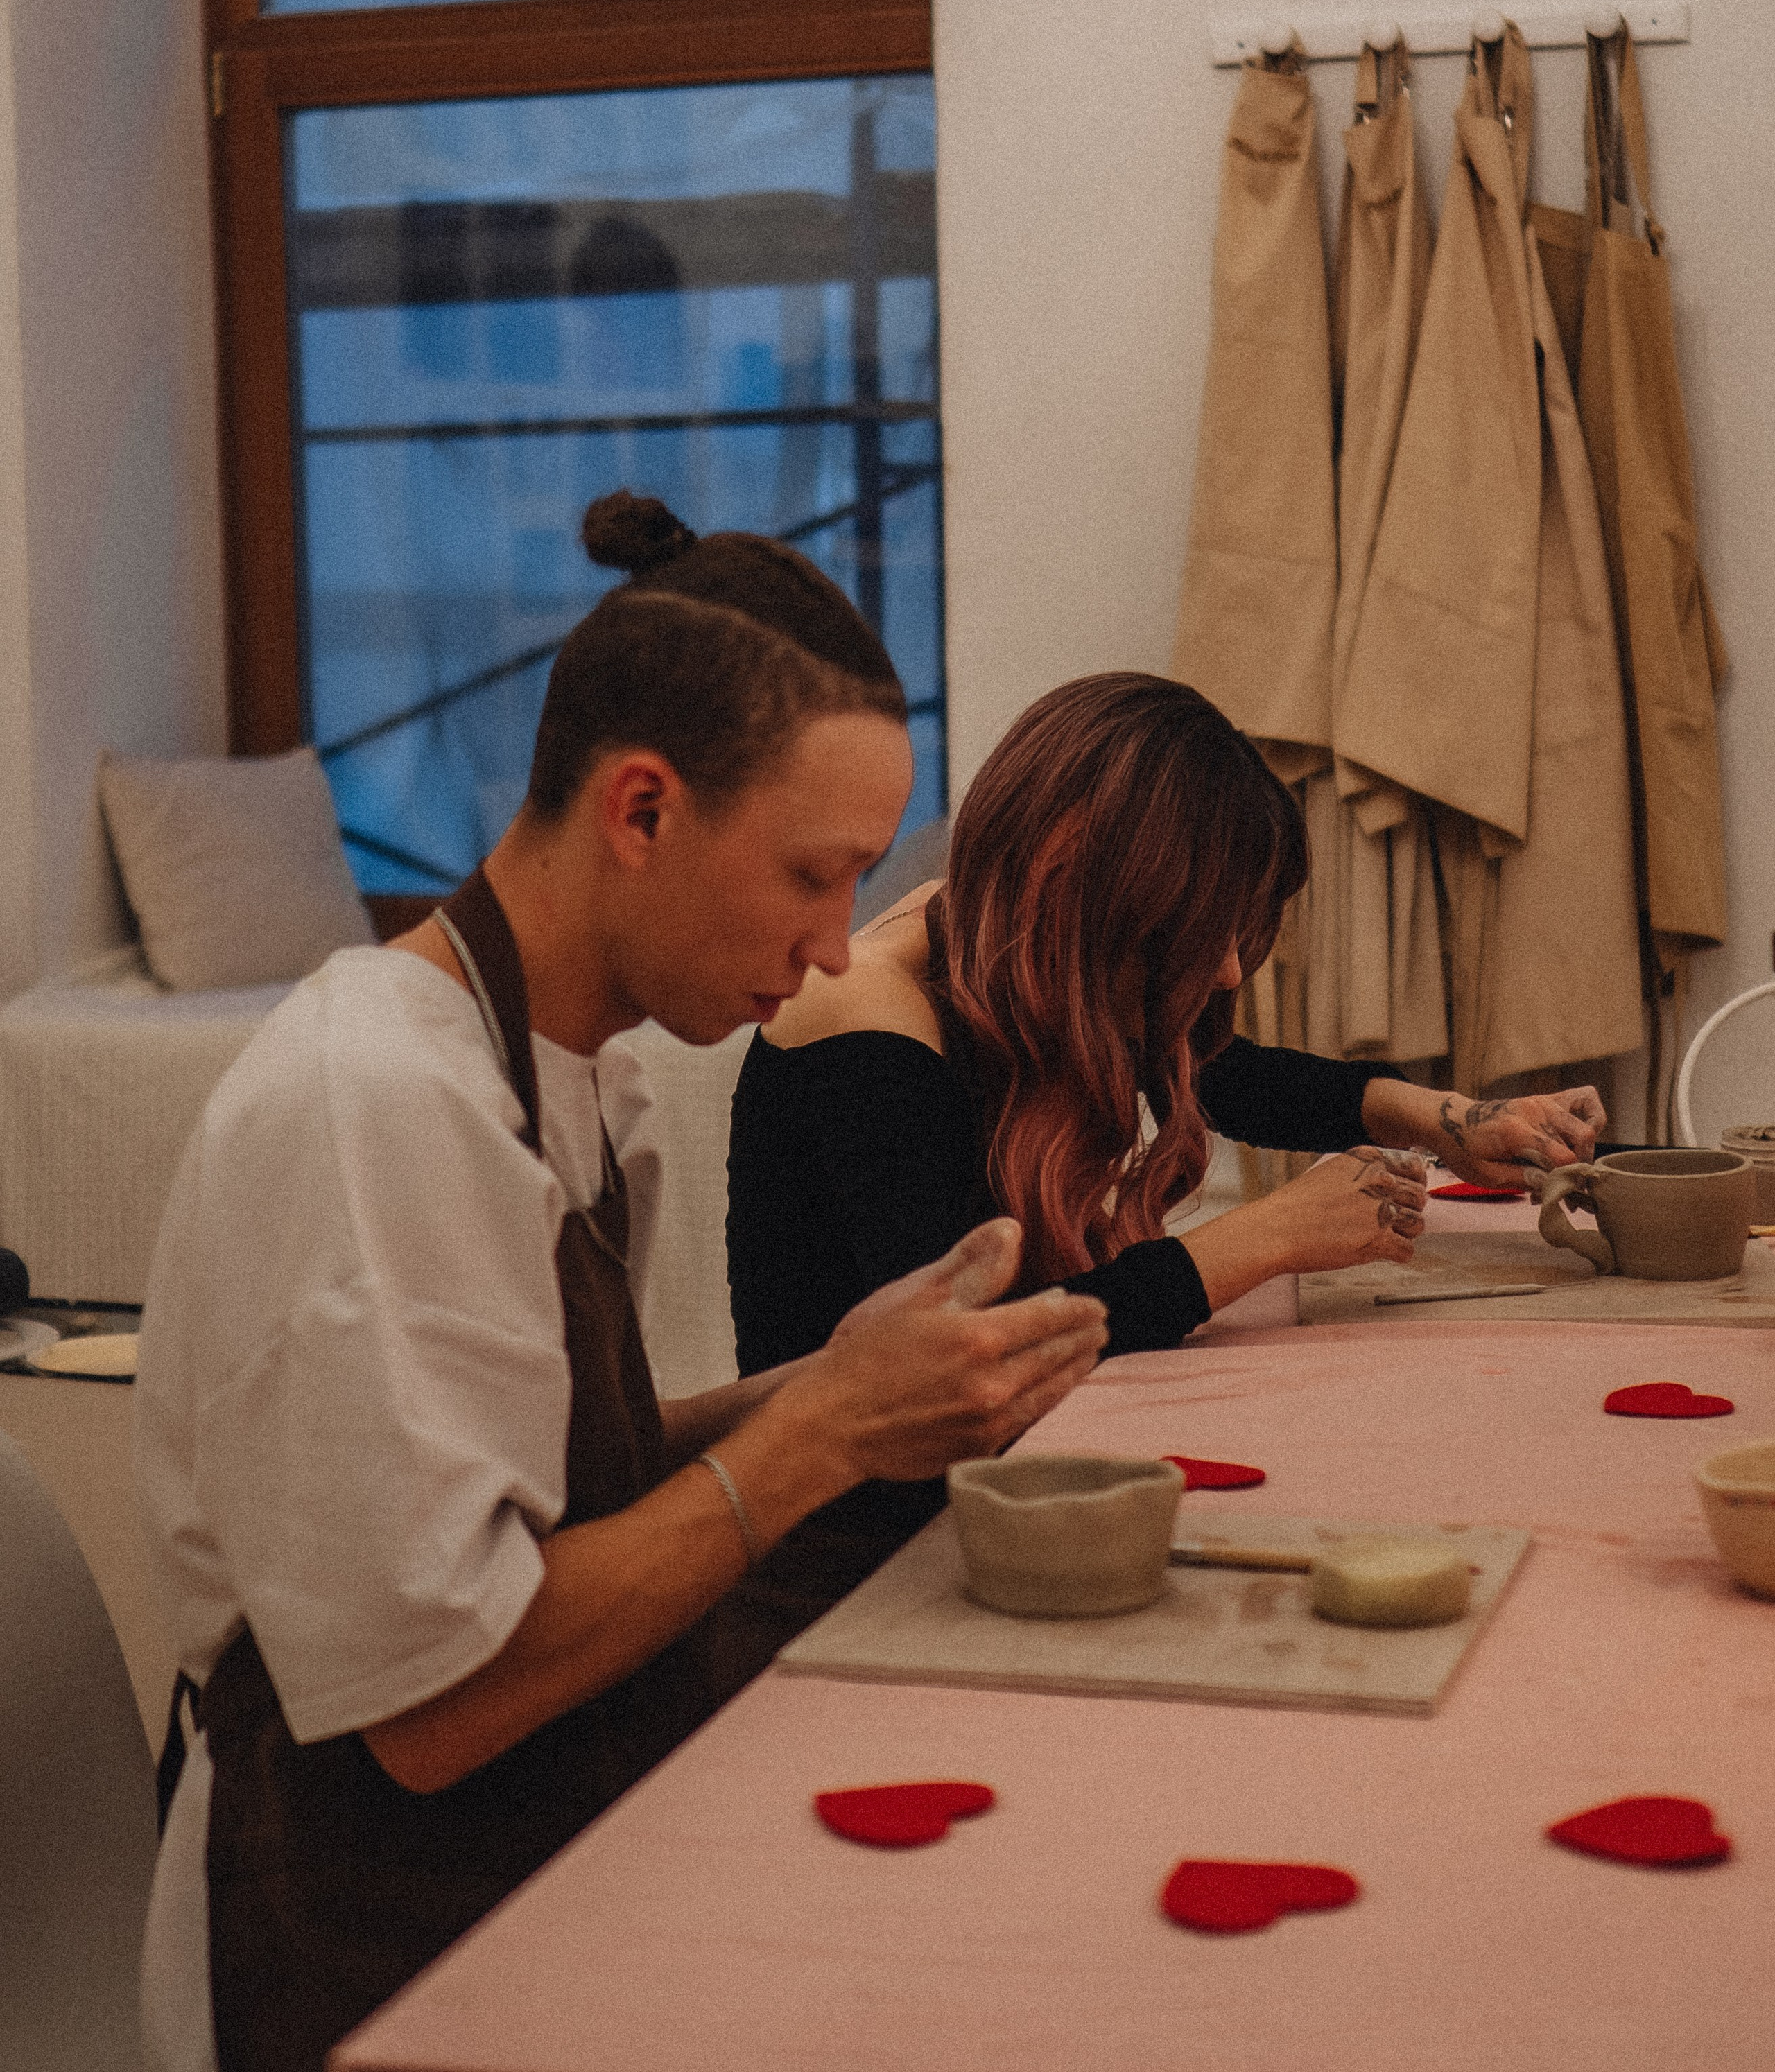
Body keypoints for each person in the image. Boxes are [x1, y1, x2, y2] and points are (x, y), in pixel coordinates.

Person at [133, 494, 1109, 2072]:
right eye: (809, 876)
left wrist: (826, 1377)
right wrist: (823, 1443)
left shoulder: (591, 1077)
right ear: (640, 810)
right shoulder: (375, 1100)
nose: (832, 949)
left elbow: (532, 1470)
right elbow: (434, 1705)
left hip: (532, 1814)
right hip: (349, 1913)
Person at [723, 671, 1607, 1637]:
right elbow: (979, 1355)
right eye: (1209, 932)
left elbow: (1214, 1062)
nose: (1229, 967)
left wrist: (1448, 1116)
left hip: (998, 1502)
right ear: (1093, 898)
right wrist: (1262, 1238)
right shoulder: (869, 1025)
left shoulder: (995, 923)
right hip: (853, 1561)